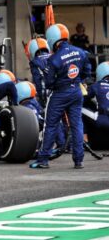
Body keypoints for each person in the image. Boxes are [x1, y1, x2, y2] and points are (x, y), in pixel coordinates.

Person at [30, 23, 91, 169]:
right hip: (76, 91)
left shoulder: (54, 59)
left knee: (50, 125)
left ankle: (43, 160)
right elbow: (87, 72)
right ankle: (78, 160)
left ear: (51, 40)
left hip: (59, 94)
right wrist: (75, 80)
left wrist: (49, 75)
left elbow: (49, 83)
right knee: (77, 125)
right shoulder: (80, 52)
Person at [16, 81, 66, 159]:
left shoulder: (26, 108)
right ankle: (60, 145)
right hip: (46, 132)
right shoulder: (33, 103)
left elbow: (32, 128)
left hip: (38, 136)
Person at [82, 61, 109, 137]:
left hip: (104, 121)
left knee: (79, 108)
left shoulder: (97, 85)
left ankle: (84, 139)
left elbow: (84, 99)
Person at [25, 38, 51, 106]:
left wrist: (42, 100)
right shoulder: (54, 56)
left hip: (49, 95)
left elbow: (39, 82)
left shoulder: (34, 63)